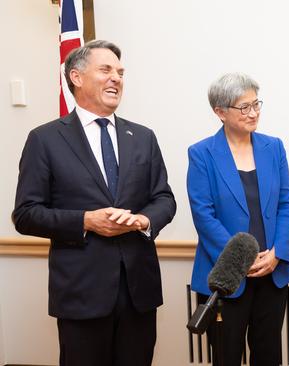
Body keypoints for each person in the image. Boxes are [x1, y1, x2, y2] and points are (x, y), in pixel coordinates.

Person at [12, 40, 176, 366]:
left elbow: (163, 198)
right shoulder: (45, 139)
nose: (116, 78)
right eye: (106, 70)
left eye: (120, 72)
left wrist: (144, 221)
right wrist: (86, 221)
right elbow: (26, 214)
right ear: (76, 76)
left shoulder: (143, 137)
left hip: (138, 293)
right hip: (81, 293)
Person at [187, 72, 289, 366]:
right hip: (227, 276)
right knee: (226, 356)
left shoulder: (273, 147)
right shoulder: (202, 154)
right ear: (220, 112)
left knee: (268, 355)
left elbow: (286, 204)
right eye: (244, 107)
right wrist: (240, 260)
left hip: (271, 273)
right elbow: (203, 215)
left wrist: (277, 254)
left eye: (256, 104)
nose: (254, 113)